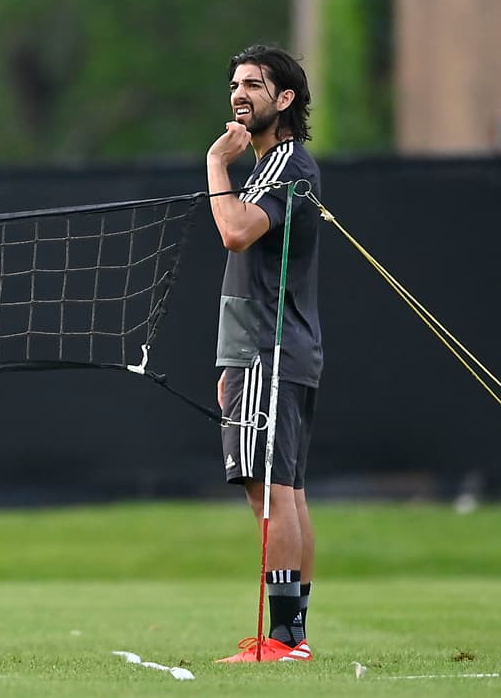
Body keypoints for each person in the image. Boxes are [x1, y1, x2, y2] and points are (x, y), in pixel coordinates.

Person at [206, 44, 322, 663]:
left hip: (269, 350)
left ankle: (283, 639)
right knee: (286, 491)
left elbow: (234, 231)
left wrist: (213, 165)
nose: (239, 93)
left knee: (271, 491)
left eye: (254, 84)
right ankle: (293, 635)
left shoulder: (281, 164)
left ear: (285, 100)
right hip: (265, 350)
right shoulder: (270, 168)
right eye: (234, 83)